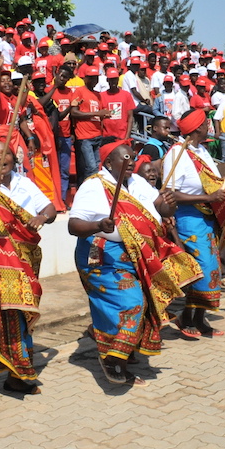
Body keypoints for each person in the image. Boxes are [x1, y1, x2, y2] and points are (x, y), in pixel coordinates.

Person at [69, 141, 200, 386]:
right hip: (103, 256)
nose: (131, 162)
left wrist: (167, 203)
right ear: (109, 162)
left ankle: (118, 347)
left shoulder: (138, 183)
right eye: (124, 158)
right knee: (131, 303)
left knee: (147, 300)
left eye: (132, 157)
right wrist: (98, 225)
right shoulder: (94, 186)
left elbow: (157, 208)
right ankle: (112, 359)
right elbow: (73, 226)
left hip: (137, 254)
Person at [0, 129, 55, 394]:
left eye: (6, 155)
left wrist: (41, 218)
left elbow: (47, 207)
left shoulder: (23, 182)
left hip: (22, 257)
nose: (1, 159)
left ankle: (16, 374)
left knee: (20, 311)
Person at [162, 109, 225, 338]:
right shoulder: (177, 154)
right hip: (187, 219)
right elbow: (169, 194)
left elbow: (216, 186)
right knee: (200, 270)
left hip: (206, 217)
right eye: (205, 124)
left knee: (210, 268)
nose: (209, 127)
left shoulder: (202, 151)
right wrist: (207, 199)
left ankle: (199, 319)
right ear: (197, 129)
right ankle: (186, 317)